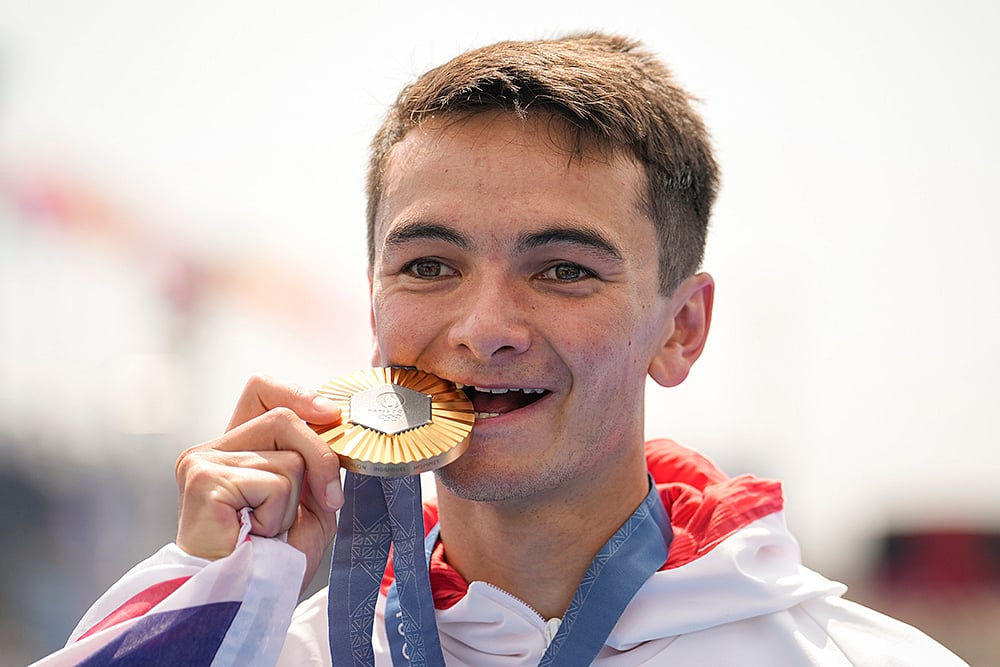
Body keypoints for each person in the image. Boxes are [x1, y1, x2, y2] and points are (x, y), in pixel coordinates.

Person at [53, 33, 966, 665]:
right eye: (429, 263)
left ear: (681, 329)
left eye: (563, 269)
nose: (484, 324)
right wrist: (200, 600)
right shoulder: (263, 645)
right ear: (374, 303)